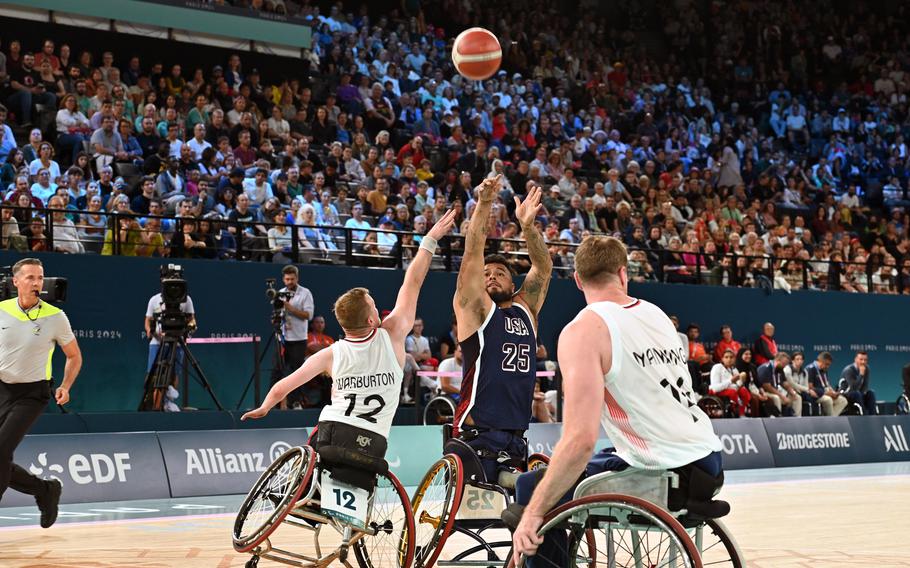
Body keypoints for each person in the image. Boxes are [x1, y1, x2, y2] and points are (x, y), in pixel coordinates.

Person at [510, 237, 723, 566]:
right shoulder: (657, 316)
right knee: (602, 459)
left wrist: (533, 514)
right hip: (708, 462)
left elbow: (580, 441)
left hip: (663, 471)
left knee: (530, 487)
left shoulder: (583, 330)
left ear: (578, 280)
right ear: (623, 274)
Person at [241, 210, 458, 468]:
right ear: (370, 320)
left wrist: (264, 408)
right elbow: (412, 282)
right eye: (374, 307)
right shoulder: (392, 334)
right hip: (375, 440)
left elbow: (281, 387)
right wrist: (430, 239)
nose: (378, 310)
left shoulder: (330, 353)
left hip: (333, 430)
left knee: (313, 468)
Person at [452, 176, 552, 482]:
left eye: (500, 273)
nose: (491, 276)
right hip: (478, 430)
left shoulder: (526, 309)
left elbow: (543, 267)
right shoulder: (475, 309)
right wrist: (483, 203)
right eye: (486, 274)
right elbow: (472, 255)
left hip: (516, 432)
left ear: (513, 283)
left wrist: (527, 228)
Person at [0, 258, 82, 527]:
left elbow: (74, 356)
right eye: (30, 278)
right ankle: (45, 490)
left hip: (32, 393)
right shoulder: (1, 310)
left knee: (1, 451)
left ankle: (44, 491)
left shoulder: (55, 317)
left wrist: (66, 386)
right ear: (16, 282)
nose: (37, 283)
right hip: (1, 389)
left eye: (40, 277)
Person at [143, 281, 196, 412]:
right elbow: (148, 320)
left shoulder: (186, 300)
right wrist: (150, 331)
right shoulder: (154, 300)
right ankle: (153, 405)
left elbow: (192, 319)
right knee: (153, 374)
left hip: (177, 343)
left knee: (174, 374)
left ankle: (169, 403)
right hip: (157, 343)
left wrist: (190, 327)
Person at [278, 265, 314, 409]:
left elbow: (308, 315)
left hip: (298, 339)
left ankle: (295, 402)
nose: (289, 281)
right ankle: (273, 405)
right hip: (282, 338)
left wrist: (290, 308)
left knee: (297, 372)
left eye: (292, 279)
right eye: (287, 279)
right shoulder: (280, 293)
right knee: (277, 370)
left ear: (297, 278)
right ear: (283, 279)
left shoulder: (305, 293)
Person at [756, 352, 802, 416]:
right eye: (784, 364)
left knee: (797, 397)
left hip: (777, 391)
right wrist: (782, 396)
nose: (785, 366)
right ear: (777, 360)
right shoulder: (766, 368)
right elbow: (767, 386)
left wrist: (792, 392)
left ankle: (797, 419)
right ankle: (778, 419)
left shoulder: (780, 368)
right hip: (764, 393)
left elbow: (784, 383)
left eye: (786, 364)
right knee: (776, 398)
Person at [709, 348, 752, 417]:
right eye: (726, 357)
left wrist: (742, 381)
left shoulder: (734, 369)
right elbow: (715, 388)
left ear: (734, 359)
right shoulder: (717, 367)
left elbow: (738, 386)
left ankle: (742, 413)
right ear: (722, 359)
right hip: (718, 391)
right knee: (732, 392)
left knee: (743, 390)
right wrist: (731, 381)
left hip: (731, 390)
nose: (729, 359)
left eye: (731, 357)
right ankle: (735, 411)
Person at [805, 351, 848, 416]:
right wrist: (825, 393)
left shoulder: (824, 369)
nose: (828, 366)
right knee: (828, 400)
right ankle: (831, 420)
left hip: (825, 393)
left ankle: (831, 418)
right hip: (816, 395)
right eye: (826, 364)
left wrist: (833, 392)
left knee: (843, 400)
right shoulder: (810, 369)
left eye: (829, 365)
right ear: (820, 361)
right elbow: (810, 387)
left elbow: (827, 384)